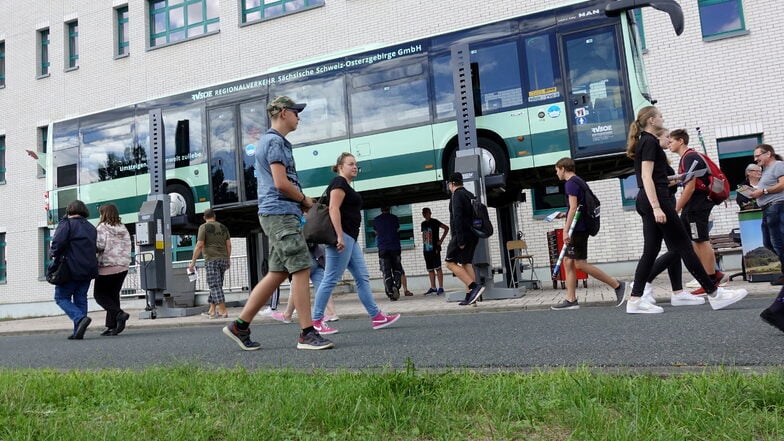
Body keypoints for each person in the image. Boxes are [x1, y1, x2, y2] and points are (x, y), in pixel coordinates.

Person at [222, 95, 333, 351]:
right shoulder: (274, 142)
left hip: (278, 213)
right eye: (296, 112)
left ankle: (239, 326)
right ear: (283, 113)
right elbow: (281, 183)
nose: (299, 116)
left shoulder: (270, 141)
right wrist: (305, 199)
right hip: (281, 213)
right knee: (302, 268)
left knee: (278, 273)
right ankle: (307, 333)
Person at [625, 106, 747, 314]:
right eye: (660, 116)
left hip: (648, 199)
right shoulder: (650, 141)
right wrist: (657, 207)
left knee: (652, 250)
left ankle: (635, 299)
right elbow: (646, 177)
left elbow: (653, 177)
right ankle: (714, 294)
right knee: (683, 246)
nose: (663, 119)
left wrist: (675, 179)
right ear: (652, 121)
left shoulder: (644, 141)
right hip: (657, 200)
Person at [310, 152, 401, 335]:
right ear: (341, 167)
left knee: (362, 277)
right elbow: (333, 208)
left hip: (350, 238)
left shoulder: (346, 186)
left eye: (355, 164)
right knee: (330, 279)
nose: (354, 167)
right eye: (350, 164)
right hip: (342, 237)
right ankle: (316, 321)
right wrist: (339, 237)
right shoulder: (339, 183)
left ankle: (377, 317)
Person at [550, 157, 629, 310]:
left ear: (563, 169)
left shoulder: (570, 184)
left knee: (580, 264)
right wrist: (563, 214)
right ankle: (571, 300)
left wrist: (565, 230)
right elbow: (577, 207)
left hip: (577, 230)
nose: (556, 173)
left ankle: (618, 285)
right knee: (568, 262)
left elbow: (573, 208)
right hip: (581, 226)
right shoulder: (579, 181)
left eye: (557, 170)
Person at [664, 129, 728, 295]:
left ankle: (711, 278)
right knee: (692, 240)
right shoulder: (686, 158)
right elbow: (685, 181)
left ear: (681, 141)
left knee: (700, 240)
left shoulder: (690, 157)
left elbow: (690, 187)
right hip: (695, 204)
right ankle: (715, 274)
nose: (669, 144)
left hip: (698, 203)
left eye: (671, 141)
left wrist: (675, 209)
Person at [50, 200, 99, 340]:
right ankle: (79, 330)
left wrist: (52, 253)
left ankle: (79, 318)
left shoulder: (66, 224)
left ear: (69, 210)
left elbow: (57, 244)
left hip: (70, 268)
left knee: (61, 297)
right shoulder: (91, 227)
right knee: (81, 298)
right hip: (88, 268)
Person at [270, 243, 340, 323]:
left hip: (304, 258)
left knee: (296, 286)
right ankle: (332, 313)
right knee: (322, 287)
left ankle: (287, 315)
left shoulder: (298, 230)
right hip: (317, 257)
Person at [444, 172, 484, 306]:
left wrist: (460, 240)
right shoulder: (468, 194)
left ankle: (473, 287)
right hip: (473, 234)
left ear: (452, 183)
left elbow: (457, 218)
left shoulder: (456, 195)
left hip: (461, 235)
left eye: (449, 183)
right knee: (466, 263)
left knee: (449, 263)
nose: (449, 186)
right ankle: (471, 297)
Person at [94, 203, 132, 336]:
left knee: (99, 295)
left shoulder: (102, 228)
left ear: (103, 214)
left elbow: (98, 245)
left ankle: (119, 314)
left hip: (107, 266)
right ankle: (112, 325)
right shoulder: (123, 228)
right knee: (113, 295)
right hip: (123, 266)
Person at [749, 144, 784, 286]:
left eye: (758, 156)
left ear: (768, 154)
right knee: (768, 243)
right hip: (768, 209)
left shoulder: (778, 165)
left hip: (776, 206)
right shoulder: (766, 170)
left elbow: (783, 184)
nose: (756, 159)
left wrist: (763, 192)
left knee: (778, 242)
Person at [189, 209, 231, 319]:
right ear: (214, 216)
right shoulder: (223, 227)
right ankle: (212, 310)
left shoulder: (203, 227)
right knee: (217, 284)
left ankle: (223, 311)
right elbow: (229, 245)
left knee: (214, 285)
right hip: (223, 259)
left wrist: (193, 262)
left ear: (204, 218)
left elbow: (199, 245)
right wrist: (228, 259)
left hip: (211, 259)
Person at [373, 206, 413, 300]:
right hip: (395, 247)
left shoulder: (376, 219)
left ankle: (390, 292)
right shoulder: (394, 218)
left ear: (381, 210)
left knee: (386, 271)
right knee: (397, 268)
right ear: (389, 208)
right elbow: (397, 229)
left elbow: (376, 232)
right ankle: (397, 285)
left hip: (383, 248)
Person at [421, 207, 449, 295]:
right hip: (426, 248)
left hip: (435, 248)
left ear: (430, 213)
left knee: (438, 267)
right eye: (424, 213)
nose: (425, 214)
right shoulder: (423, 224)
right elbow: (424, 235)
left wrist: (441, 240)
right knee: (430, 268)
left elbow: (446, 228)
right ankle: (433, 287)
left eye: (427, 213)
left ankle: (441, 287)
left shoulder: (435, 222)